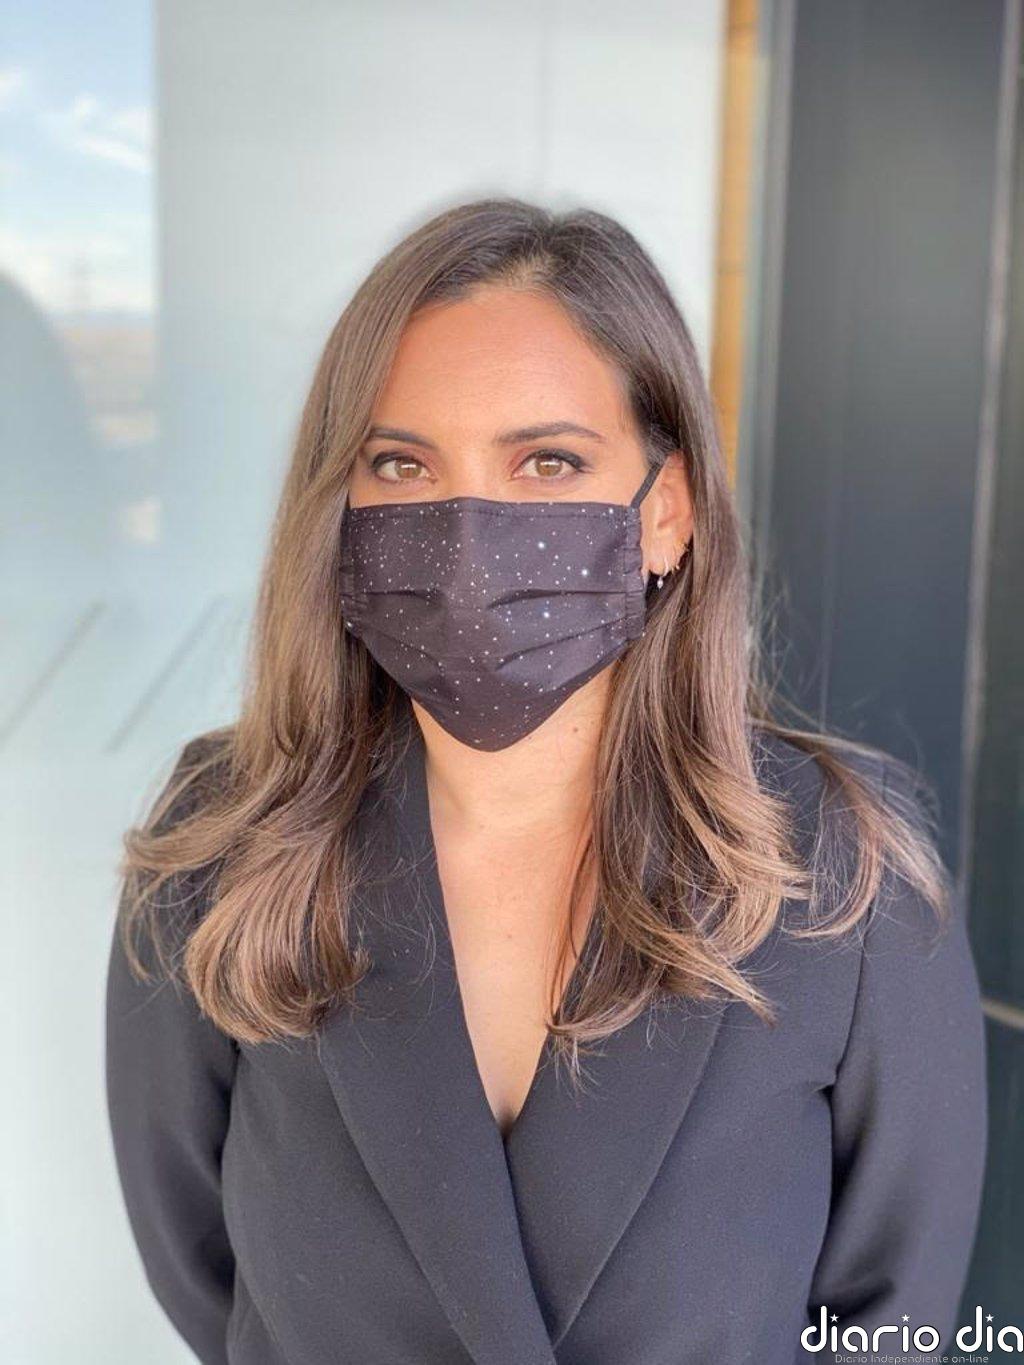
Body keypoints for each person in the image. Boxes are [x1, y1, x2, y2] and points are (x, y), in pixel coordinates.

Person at [105, 198, 987, 1365]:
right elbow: (206, 1276)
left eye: (549, 462)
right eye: (399, 463)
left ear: (665, 512)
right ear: (341, 510)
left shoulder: (843, 870)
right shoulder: (222, 841)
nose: (471, 533)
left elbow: (894, 1318)